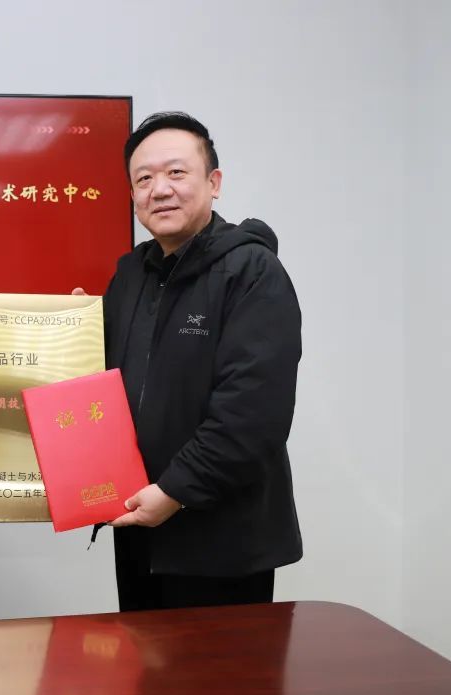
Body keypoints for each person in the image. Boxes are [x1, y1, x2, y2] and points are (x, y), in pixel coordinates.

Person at [101, 111, 303, 610]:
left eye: (176, 172)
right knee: (142, 663)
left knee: (221, 666)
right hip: (140, 529)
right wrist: (68, 335)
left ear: (214, 183)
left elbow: (252, 413)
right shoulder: (129, 276)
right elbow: (106, 386)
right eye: (143, 179)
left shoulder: (252, 271)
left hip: (223, 542)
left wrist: (174, 491)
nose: (159, 190)